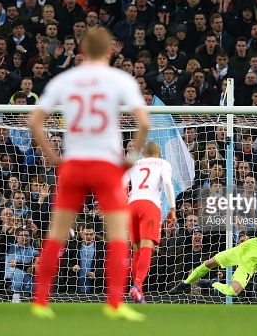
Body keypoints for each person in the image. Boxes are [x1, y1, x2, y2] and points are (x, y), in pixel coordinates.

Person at [29, 28, 150, 321]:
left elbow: (34, 121)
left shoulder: (64, 79)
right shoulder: (121, 79)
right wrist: (131, 158)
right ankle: (114, 304)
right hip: (106, 165)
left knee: (56, 235)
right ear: (110, 50)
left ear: (82, 48)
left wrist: (53, 156)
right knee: (116, 236)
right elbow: (144, 121)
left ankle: (40, 301)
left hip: (73, 164)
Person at [127, 141, 176, 304]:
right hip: (150, 205)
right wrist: (173, 208)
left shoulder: (134, 164)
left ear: (143, 154)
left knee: (136, 250)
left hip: (132, 204)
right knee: (147, 247)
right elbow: (168, 183)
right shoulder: (163, 163)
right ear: (159, 153)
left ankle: (138, 291)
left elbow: (121, 184)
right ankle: (137, 284)